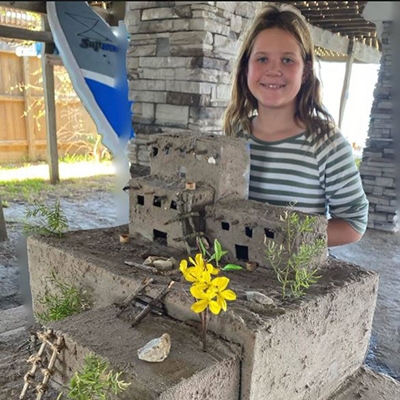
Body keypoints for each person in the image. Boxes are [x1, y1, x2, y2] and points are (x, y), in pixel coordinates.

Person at [223, 3, 368, 247]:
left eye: (288, 60)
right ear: (246, 68)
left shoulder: (326, 144)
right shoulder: (235, 135)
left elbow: (354, 224)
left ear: (305, 72)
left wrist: (284, 239)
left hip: (291, 282)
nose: (274, 70)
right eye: (262, 59)